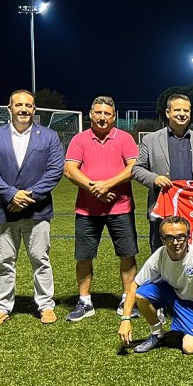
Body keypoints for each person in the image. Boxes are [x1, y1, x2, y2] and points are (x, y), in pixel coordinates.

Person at [0, 90, 64, 326]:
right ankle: (2, 307)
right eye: (19, 105)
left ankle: (45, 305)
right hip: (3, 210)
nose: (24, 109)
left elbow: (55, 170)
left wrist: (29, 196)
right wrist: (11, 194)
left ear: (34, 109)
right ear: (10, 108)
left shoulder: (49, 136)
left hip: (38, 210)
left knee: (40, 258)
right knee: (5, 260)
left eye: (28, 105)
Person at [64, 96, 139, 322]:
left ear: (114, 116)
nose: (102, 117)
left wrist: (108, 184)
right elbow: (69, 169)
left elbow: (133, 167)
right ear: (90, 114)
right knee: (84, 257)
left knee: (127, 254)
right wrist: (94, 188)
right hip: (87, 210)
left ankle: (127, 299)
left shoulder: (125, 138)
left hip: (121, 208)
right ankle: (85, 302)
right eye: (98, 113)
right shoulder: (79, 139)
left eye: (107, 113)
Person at [118, 216, 193, 356]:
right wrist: (125, 319)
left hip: (192, 303)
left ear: (188, 237)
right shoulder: (160, 255)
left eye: (180, 237)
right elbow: (134, 285)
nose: (175, 242)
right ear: (162, 239)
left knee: (189, 348)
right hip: (172, 292)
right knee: (140, 294)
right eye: (169, 238)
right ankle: (158, 335)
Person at [132, 93, 193, 254]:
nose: (182, 114)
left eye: (186, 110)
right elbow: (137, 168)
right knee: (160, 254)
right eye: (177, 110)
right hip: (162, 208)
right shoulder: (151, 139)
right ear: (168, 113)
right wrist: (154, 179)